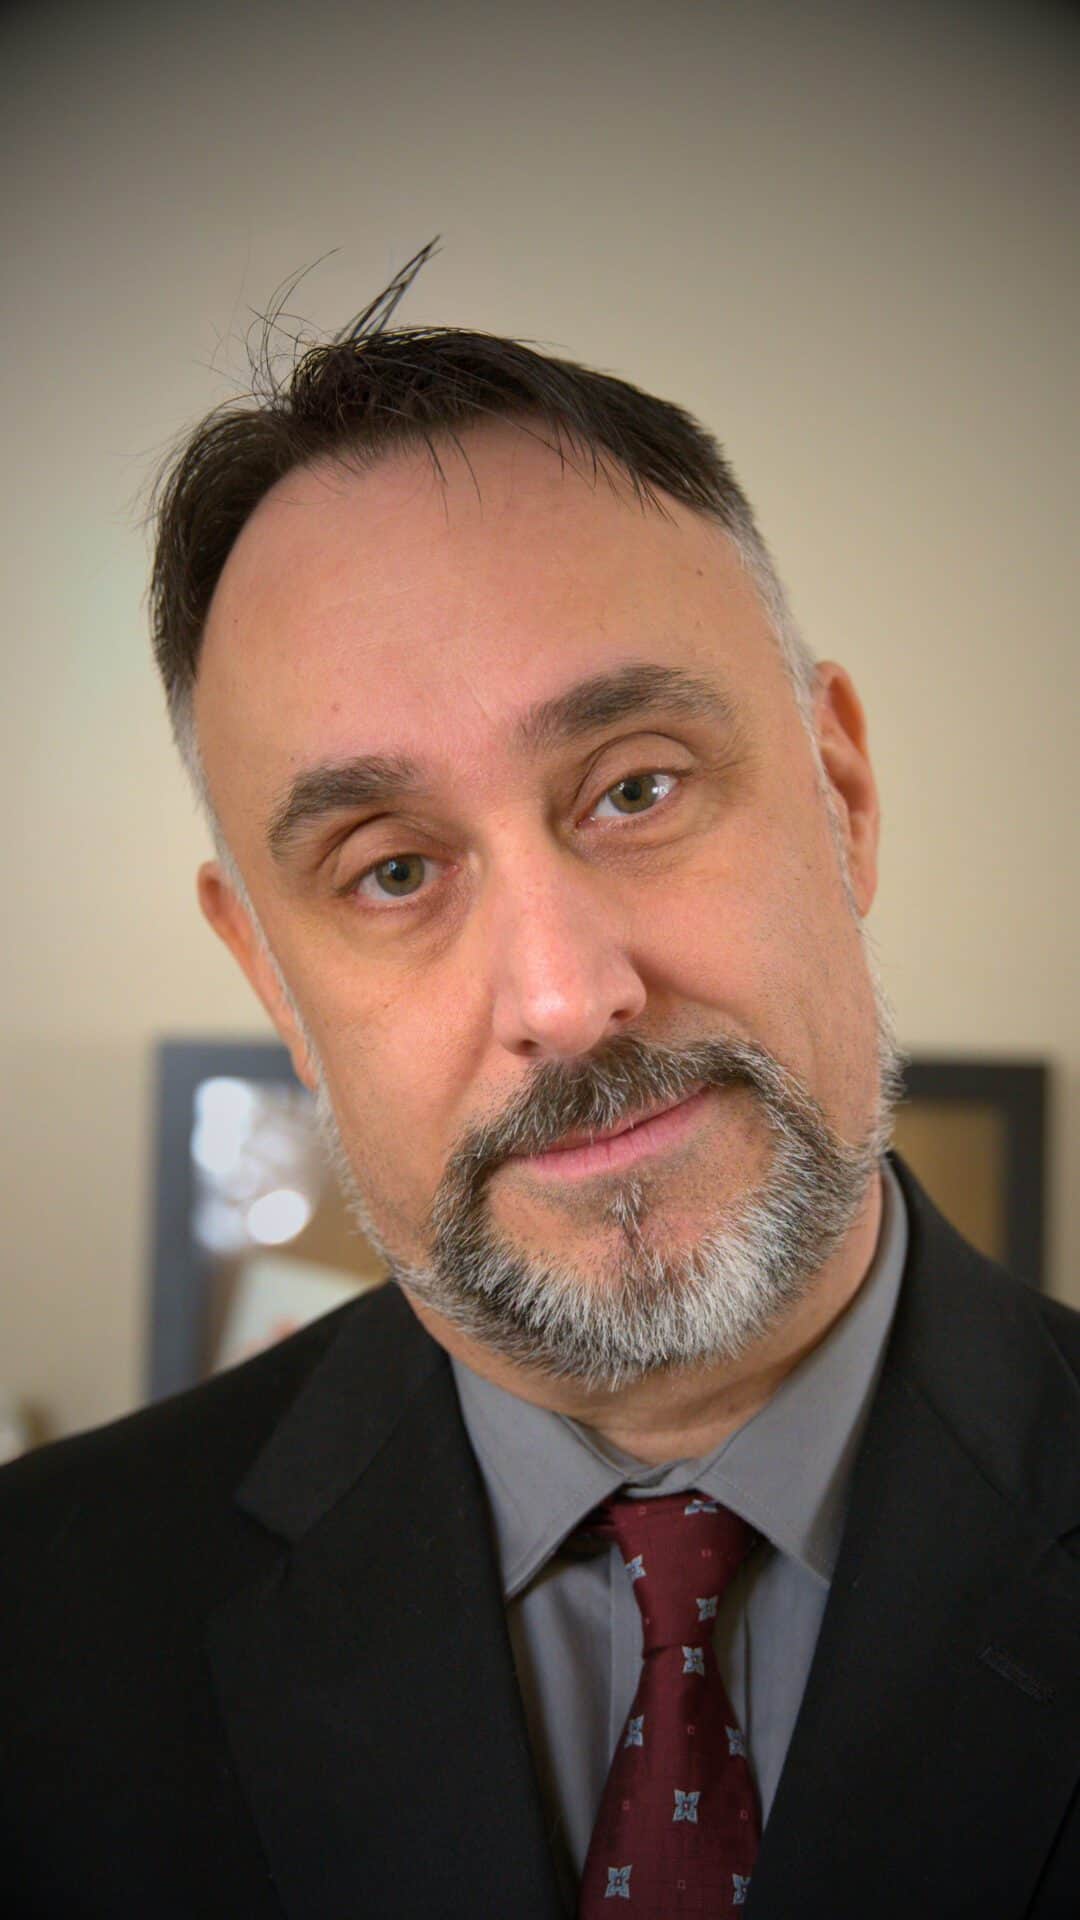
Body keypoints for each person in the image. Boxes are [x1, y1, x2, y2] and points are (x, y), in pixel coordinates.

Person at [2, 250, 1077, 1920]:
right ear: (270, 980)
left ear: (841, 793)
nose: (571, 1000)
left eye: (636, 787)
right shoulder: (37, 1627)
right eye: (392, 873)